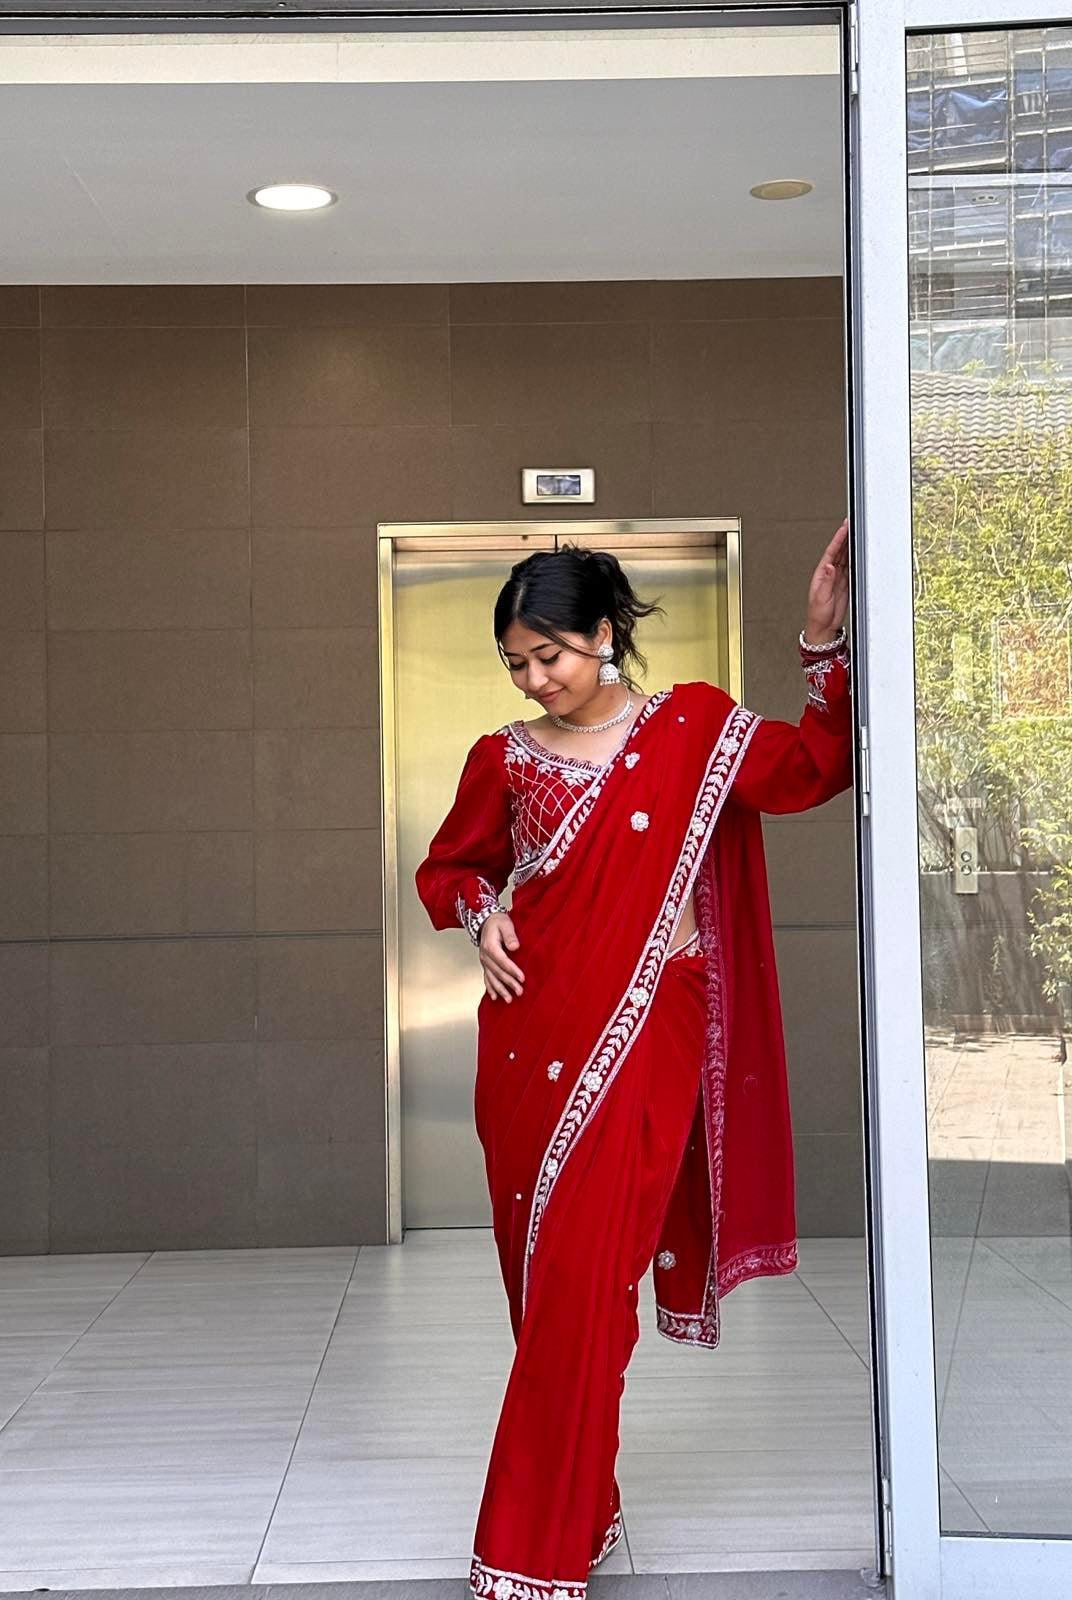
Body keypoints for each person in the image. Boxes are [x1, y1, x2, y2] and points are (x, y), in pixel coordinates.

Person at [414, 521, 853, 1600]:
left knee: (579, 1284)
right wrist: (481, 914)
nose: (534, 677)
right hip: (529, 1042)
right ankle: (588, 1501)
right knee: (554, 1294)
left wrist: (818, 640)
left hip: (651, 1034)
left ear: (605, 634)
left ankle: (530, 1546)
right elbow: (447, 866)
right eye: (515, 662)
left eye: (550, 653)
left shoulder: (696, 727)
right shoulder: (501, 757)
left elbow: (812, 770)